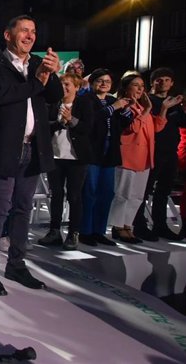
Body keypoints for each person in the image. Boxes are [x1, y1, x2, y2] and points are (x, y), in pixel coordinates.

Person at [0, 15, 62, 296]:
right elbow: (2, 95)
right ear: (7, 34)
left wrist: (53, 73)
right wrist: (38, 82)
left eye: (33, 31)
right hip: (5, 148)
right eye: (24, 30)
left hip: (32, 148)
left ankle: (16, 264)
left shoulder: (37, 64)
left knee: (23, 209)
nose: (29, 36)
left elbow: (55, 95)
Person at [107, 74, 180, 243]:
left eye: (141, 85)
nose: (140, 89)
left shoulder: (141, 106)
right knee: (123, 194)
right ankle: (118, 227)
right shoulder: (122, 105)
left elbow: (157, 126)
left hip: (145, 158)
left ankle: (128, 226)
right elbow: (131, 128)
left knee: (137, 196)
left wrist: (163, 109)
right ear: (126, 88)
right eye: (135, 85)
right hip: (128, 157)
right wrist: (146, 110)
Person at [38, 72, 93, 250]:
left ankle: (73, 233)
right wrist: (60, 122)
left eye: (68, 84)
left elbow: (89, 128)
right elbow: (45, 126)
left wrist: (72, 120)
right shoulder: (53, 104)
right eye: (62, 84)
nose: (64, 88)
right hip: (55, 156)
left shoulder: (84, 104)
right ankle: (54, 231)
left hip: (76, 158)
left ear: (77, 87)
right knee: (56, 195)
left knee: (74, 196)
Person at [79, 68, 132, 246]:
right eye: (100, 80)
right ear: (92, 82)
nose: (104, 84)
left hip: (110, 151)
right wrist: (113, 108)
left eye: (107, 81)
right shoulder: (86, 99)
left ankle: (99, 231)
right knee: (90, 192)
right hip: (93, 150)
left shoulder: (112, 100)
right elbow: (91, 120)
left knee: (107, 193)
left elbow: (121, 123)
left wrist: (125, 112)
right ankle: (85, 231)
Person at [133, 67, 186, 241]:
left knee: (163, 191)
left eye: (167, 79)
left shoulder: (175, 103)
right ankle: (139, 225)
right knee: (144, 190)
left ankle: (160, 225)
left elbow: (181, 122)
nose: (163, 82)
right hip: (151, 151)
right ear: (152, 82)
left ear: (172, 83)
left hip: (170, 152)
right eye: (159, 79)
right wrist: (164, 108)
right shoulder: (147, 101)